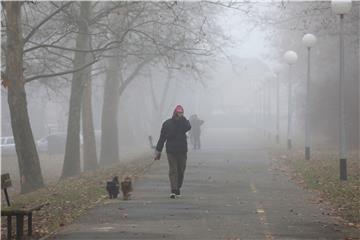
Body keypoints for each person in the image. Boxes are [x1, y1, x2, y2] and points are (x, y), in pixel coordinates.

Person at [154, 105, 191, 199]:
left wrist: (182, 119)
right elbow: (162, 138)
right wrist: (158, 151)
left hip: (182, 150)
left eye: (181, 113)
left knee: (181, 170)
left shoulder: (183, 123)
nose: (180, 114)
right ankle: (174, 190)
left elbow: (188, 127)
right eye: (178, 113)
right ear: (174, 113)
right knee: (173, 170)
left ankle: (177, 187)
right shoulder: (167, 124)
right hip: (171, 151)